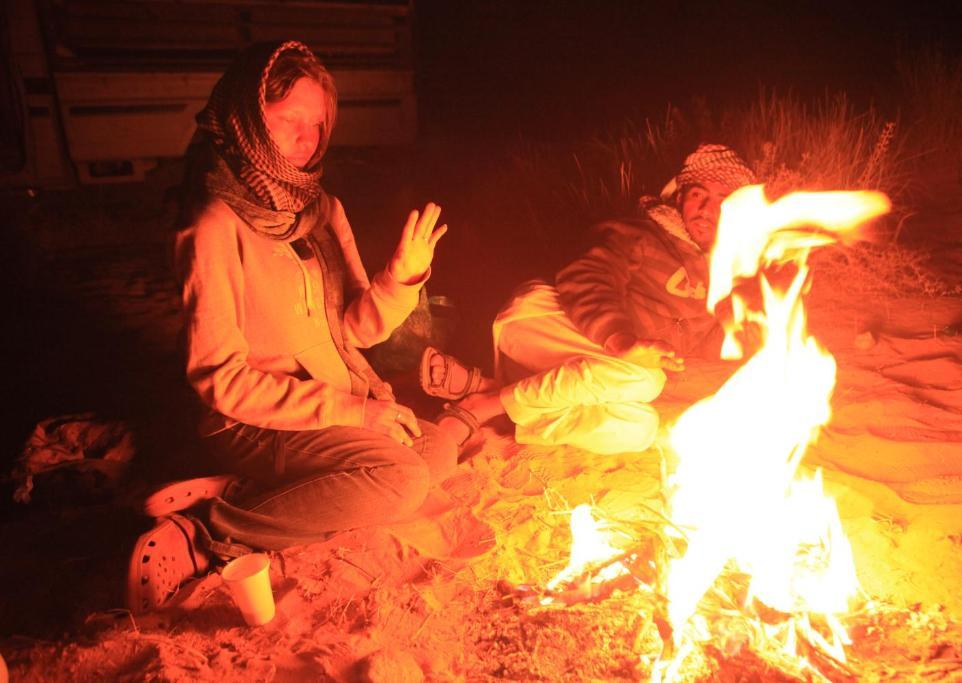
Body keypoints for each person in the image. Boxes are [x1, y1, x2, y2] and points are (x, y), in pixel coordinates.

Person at [126, 41, 455, 614]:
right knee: (401, 481)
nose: (306, 139)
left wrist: (402, 279)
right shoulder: (212, 225)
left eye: (317, 124)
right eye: (288, 122)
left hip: (334, 399)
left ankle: (243, 491)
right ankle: (209, 532)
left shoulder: (320, 208)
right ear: (247, 122)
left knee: (437, 451)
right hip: (252, 422)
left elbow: (354, 333)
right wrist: (356, 414)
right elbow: (219, 381)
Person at [422, 144, 756, 456]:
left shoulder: (725, 271)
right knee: (644, 378)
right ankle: (482, 407)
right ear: (679, 198)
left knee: (639, 428)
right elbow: (588, 276)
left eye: (721, 199)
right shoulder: (640, 233)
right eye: (698, 195)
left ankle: (496, 395)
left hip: (586, 371)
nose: (706, 210)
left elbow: (717, 350)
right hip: (542, 322)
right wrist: (621, 340)